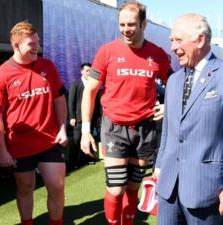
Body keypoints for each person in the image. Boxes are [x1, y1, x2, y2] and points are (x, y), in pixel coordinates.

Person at [80, 1, 171, 225]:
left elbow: (176, 86)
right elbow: (90, 91)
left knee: (132, 187)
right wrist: (85, 130)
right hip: (114, 127)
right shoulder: (107, 51)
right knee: (116, 188)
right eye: (122, 24)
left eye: (131, 24)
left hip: (146, 128)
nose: (126, 29)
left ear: (143, 24)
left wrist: (168, 106)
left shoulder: (157, 54)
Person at [0, 21, 68, 225]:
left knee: (57, 185)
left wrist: (62, 128)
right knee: (25, 187)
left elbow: (59, 99)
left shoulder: (46, 66)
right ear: (16, 46)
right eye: (31, 44)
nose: (37, 48)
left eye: (38, 43)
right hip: (19, 145)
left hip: (49, 140)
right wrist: (2, 150)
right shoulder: (1, 75)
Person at [154, 13, 223, 224]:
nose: (173, 47)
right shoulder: (173, 80)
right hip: (168, 189)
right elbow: (168, 131)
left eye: (178, 40)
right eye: (171, 41)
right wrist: (158, 169)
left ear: (200, 40)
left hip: (206, 190)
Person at [67, 63, 97, 169]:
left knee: (88, 139)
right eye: (87, 70)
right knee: (76, 140)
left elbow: (96, 101)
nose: (89, 72)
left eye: (90, 71)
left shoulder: (93, 84)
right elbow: (71, 102)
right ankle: (72, 162)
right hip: (78, 118)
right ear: (82, 71)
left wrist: (97, 116)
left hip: (91, 118)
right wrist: (72, 117)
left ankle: (85, 160)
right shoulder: (76, 84)